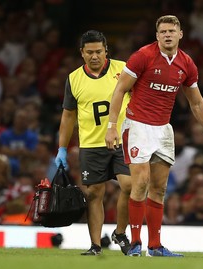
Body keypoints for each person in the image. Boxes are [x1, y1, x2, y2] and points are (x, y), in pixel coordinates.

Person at [105, 15, 203, 257]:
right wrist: (112, 126)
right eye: (163, 31)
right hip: (138, 126)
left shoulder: (186, 63)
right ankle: (135, 243)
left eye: (172, 30)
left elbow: (196, 103)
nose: (167, 35)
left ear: (181, 34)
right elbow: (120, 89)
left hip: (163, 129)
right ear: (157, 35)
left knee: (159, 189)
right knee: (140, 183)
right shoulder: (142, 56)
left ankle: (155, 246)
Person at [55, 30, 132, 256]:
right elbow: (68, 116)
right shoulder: (74, 78)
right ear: (82, 53)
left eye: (99, 51)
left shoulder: (123, 69)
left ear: (106, 50)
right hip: (90, 144)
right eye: (89, 52)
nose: (95, 56)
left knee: (129, 186)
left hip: (121, 140)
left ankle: (120, 232)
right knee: (93, 194)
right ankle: (96, 245)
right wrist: (62, 148)